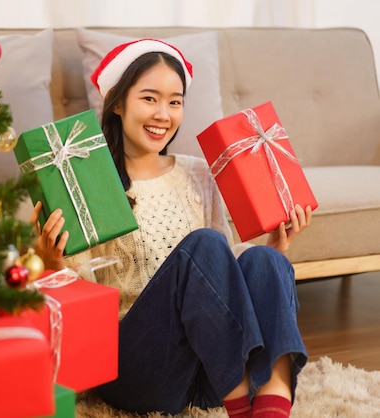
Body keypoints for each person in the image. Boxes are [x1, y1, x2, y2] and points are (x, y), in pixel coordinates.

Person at [30, 38, 313, 418]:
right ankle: (248, 402)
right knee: (204, 244)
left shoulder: (198, 172)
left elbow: (221, 274)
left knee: (263, 259)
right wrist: (52, 263)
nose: (163, 114)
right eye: (149, 98)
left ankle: (272, 399)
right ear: (117, 102)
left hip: (208, 372)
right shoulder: (87, 183)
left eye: (175, 101)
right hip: (135, 372)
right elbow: (80, 304)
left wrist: (276, 249)